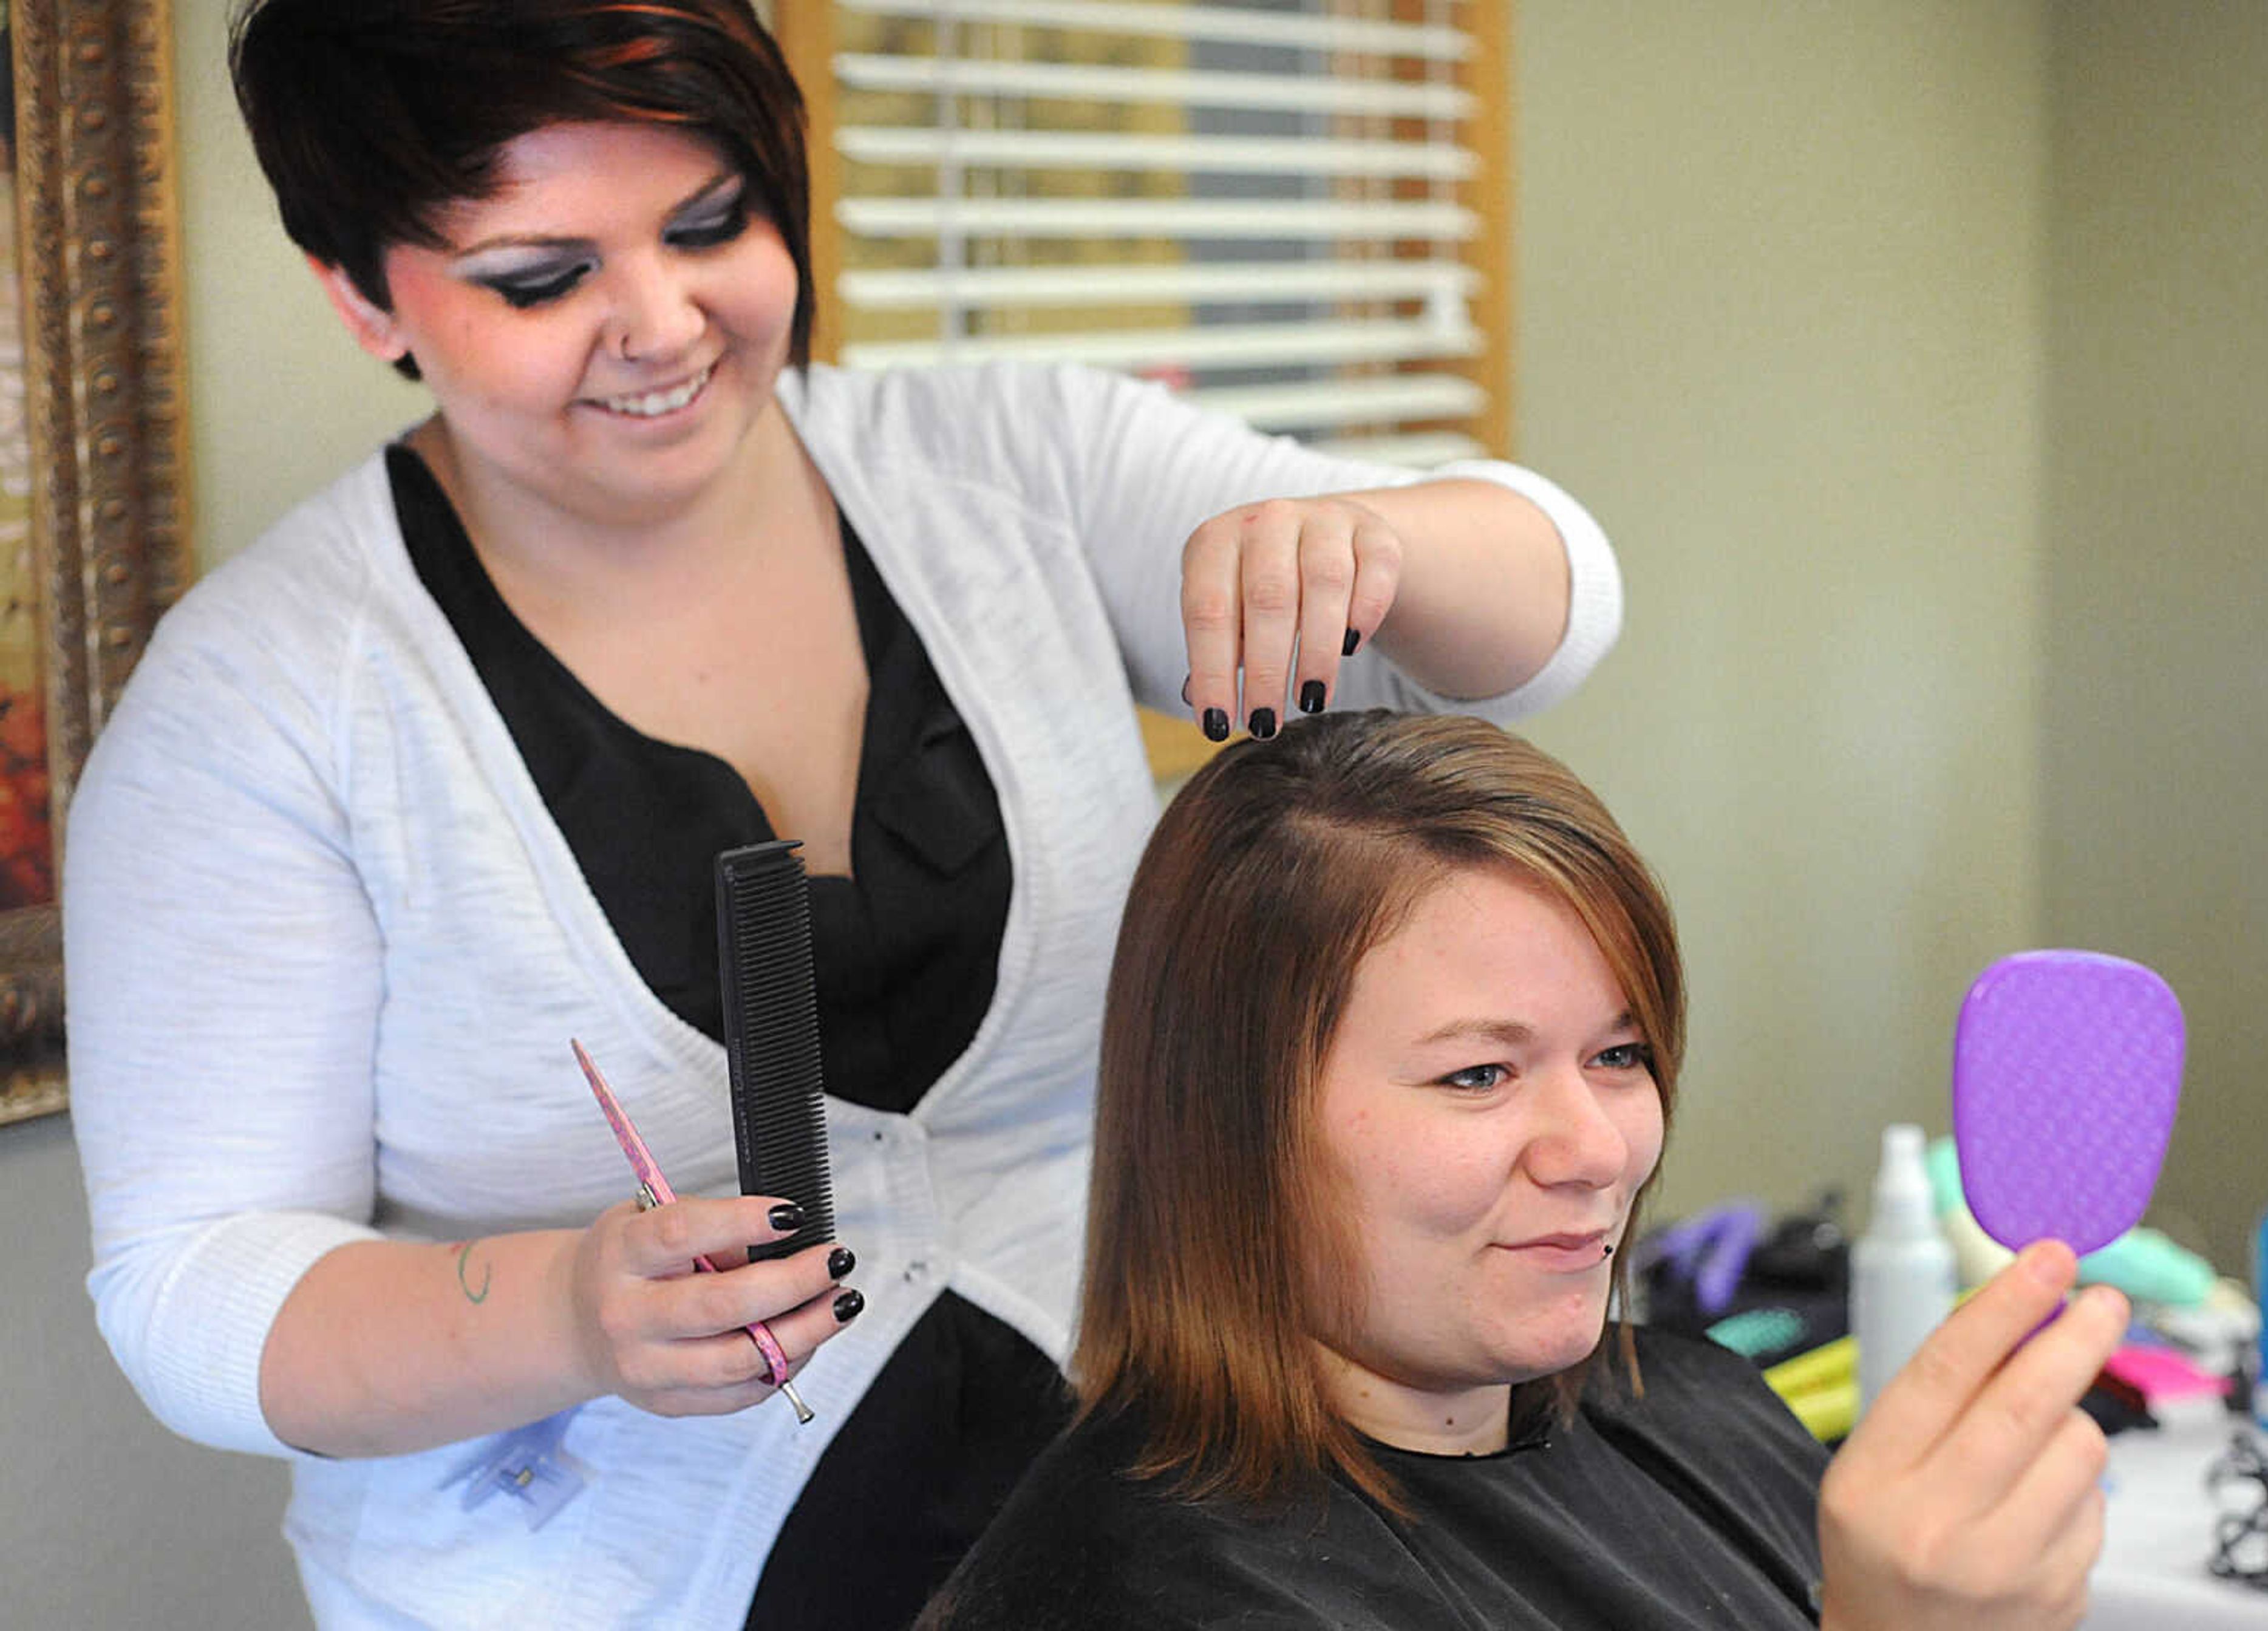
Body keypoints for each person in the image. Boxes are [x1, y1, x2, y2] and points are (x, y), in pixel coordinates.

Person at [63, 4, 1623, 1627]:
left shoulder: (1012, 469)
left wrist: (1370, 537)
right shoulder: (266, 697)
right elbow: (192, 1286)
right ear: (362, 292)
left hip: (1144, 1540)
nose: (658, 322)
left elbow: (1555, 613)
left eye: (710, 224)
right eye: (542, 277)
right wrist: (565, 1311)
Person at [922, 711, 2130, 1631]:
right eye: (1478, 1076)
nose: (1598, 1148)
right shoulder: (1138, 1593)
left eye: (1619, 1053)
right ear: (1230, 1119)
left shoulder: (1695, 1409)